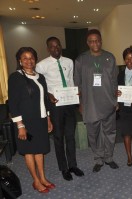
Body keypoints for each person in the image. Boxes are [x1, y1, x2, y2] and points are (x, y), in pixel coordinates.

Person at [36, 37, 84, 181]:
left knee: (70, 136)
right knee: (58, 137)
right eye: (52, 46)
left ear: (61, 46)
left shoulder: (69, 62)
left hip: (69, 103)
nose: (55, 48)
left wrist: (76, 92)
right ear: (48, 48)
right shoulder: (41, 65)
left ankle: (73, 165)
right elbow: (39, 86)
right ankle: (63, 168)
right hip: (55, 105)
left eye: (57, 46)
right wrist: (48, 94)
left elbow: (70, 80)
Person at [8, 47, 54, 193]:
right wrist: (20, 125)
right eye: (25, 58)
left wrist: (48, 118)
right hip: (25, 122)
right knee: (29, 151)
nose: (29, 60)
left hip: (40, 120)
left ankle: (43, 178)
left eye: (32, 57)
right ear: (20, 61)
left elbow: (44, 100)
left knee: (40, 150)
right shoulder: (16, 77)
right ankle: (35, 181)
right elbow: (13, 103)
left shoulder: (40, 77)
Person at [74, 29, 119, 172]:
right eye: (92, 41)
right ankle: (98, 159)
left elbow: (114, 81)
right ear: (88, 43)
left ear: (101, 41)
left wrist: (116, 100)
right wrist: (80, 103)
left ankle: (109, 157)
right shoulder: (81, 59)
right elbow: (77, 84)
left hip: (108, 101)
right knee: (93, 133)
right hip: (90, 103)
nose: (95, 43)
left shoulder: (110, 57)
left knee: (109, 132)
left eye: (97, 40)